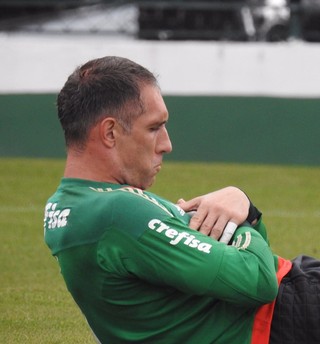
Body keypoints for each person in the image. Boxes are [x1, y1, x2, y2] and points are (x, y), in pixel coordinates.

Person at [44, 56, 320, 344]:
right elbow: (260, 280)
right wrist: (243, 212)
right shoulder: (116, 211)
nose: (166, 144)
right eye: (154, 128)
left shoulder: (66, 206)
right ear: (110, 132)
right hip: (287, 313)